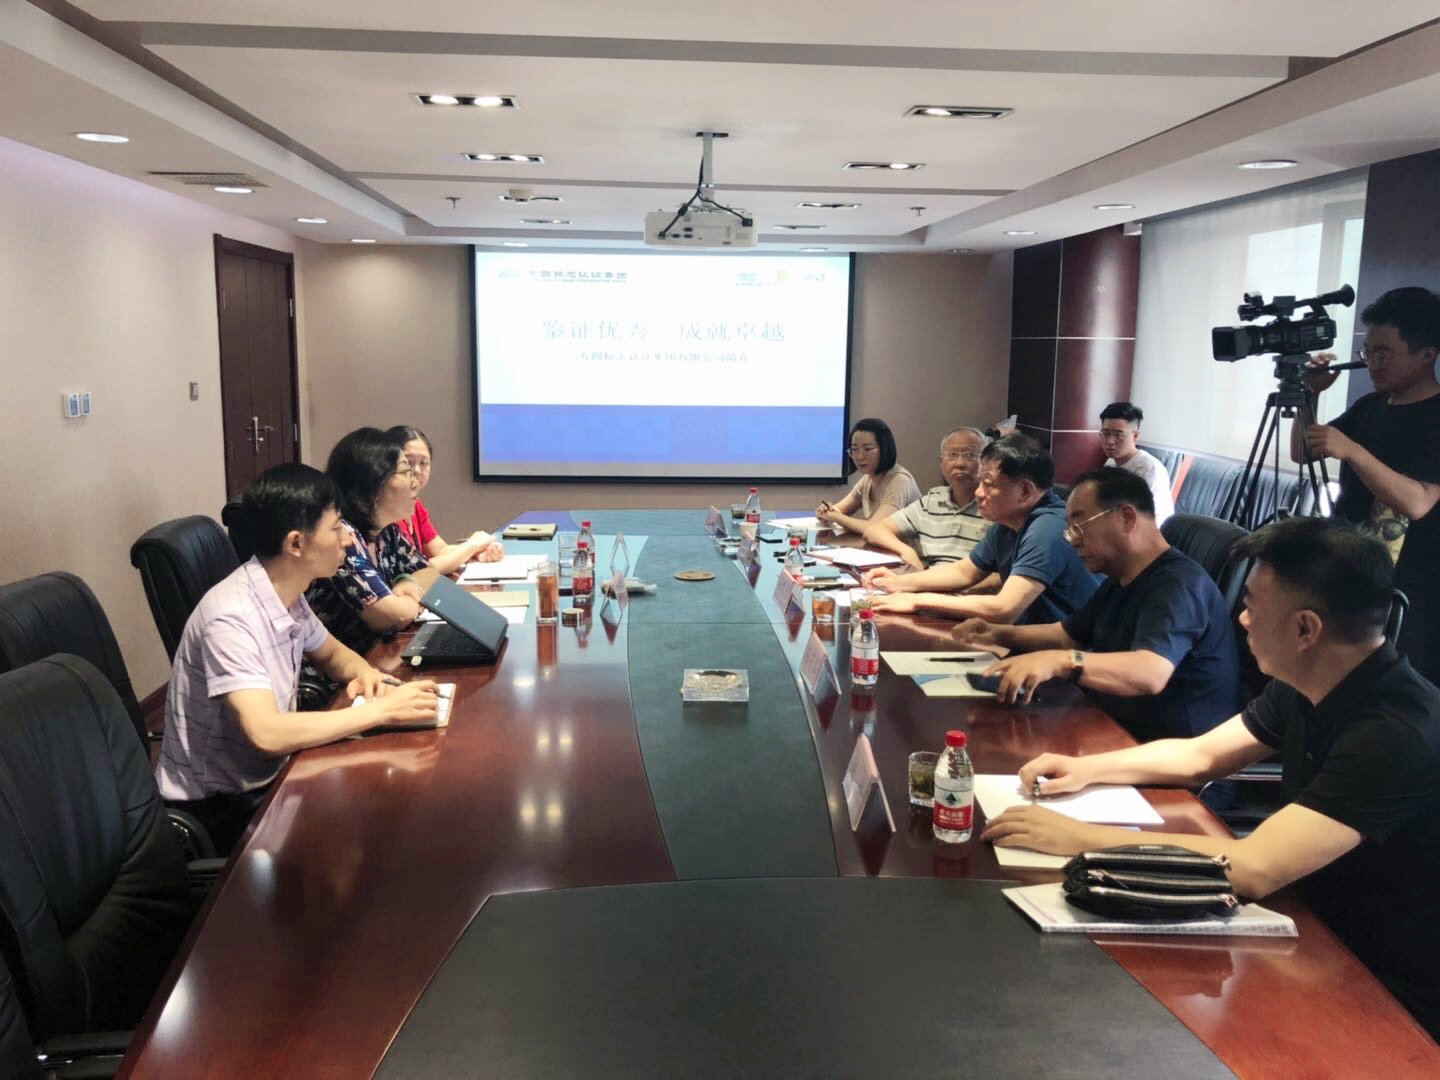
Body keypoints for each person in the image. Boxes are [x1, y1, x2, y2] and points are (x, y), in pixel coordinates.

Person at [982, 517, 1440, 1041]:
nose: (1241, 619)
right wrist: (1086, 768)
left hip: (1385, 986)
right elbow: (1200, 756)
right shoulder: (1313, 680)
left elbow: (1254, 868)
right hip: (1311, 924)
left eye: (1252, 606)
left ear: (1306, 629)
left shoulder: (1394, 733)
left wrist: (1080, 838)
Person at [156, 463, 441, 854]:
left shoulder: (286, 591)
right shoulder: (231, 617)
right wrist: (380, 712)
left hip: (269, 777)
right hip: (222, 809)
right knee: (387, 830)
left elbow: (334, 654)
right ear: (296, 544)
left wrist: (365, 675)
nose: (348, 540)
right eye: (336, 528)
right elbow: (266, 733)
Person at [955, 467, 1241, 742]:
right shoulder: (1121, 579)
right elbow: (1065, 635)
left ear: (1126, 517)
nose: (1073, 541)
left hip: (1162, 754)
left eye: (1079, 526)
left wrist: (1062, 662)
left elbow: (1150, 672)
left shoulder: (1177, 584)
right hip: (1111, 726)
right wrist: (997, 632)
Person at [1295, 286, 1440, 685]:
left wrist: (1353, 452)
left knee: (1395, 692)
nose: (1372, 363)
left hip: (1410, 591)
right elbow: (1302, 451)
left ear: (1427, 354)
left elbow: (1418, 502)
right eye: (1368, 351)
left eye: (1384, 353)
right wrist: (1308, 394)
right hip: (1350, 573)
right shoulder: (1370, 407)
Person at [864, 434, 1100, 624]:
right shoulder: (1008, 523)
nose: (978, 493)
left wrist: (915, 601)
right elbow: (964, 572)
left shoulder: (1048, 529)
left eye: (988, 485)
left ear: (1025, 491)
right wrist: (899, 582)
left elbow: (1003, 609)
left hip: (1068, 655)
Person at [305, 427, 441, 669]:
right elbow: (390, 616)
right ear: (373, 483)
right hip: (339, 676)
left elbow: (428, 572)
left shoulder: (386, 531)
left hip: (377, 660)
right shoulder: (343, 537)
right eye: (406, 471)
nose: (415, 482)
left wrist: (406, 583)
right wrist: (410, 602)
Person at [862, 427, 988, 570]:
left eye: (969, 455)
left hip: (970, 583)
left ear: (986, 462)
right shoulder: (931, 502)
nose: (960, 463)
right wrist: (908, 552)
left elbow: (1000, 574)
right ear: (941, 463)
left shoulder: (993, 507)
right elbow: (874, 531)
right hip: (926, 580)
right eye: (952, 455)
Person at [389, 425, 504, 575]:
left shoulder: (415, 504)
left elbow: (440, 550)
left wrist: (479, 551)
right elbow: (420, 570)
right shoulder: (390, 510)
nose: (417, 471)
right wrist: (473, 545)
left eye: (423, 463)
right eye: (409, 462)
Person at [815, 417, 921, 536]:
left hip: (910, 547)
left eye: (867, 449)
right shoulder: (868, 478)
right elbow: (839, 509)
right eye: (854, 449)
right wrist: (826, 511)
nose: (859, 456)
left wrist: (835, 516)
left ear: (885, 449)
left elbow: (875, 528)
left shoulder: (899, 480)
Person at [1099, 402, 1174, 525]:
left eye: (1119, 435)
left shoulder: (1148, 469)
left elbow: (1144, 519)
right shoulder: (1111, 462)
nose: (1110, 441)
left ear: (1135, 436)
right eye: (1106, 434)